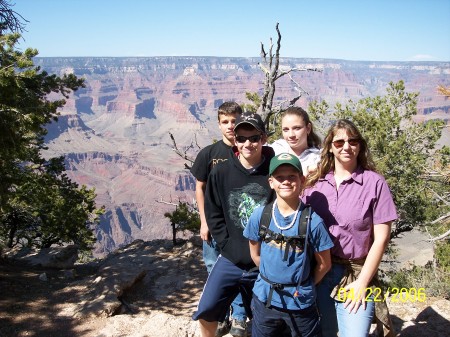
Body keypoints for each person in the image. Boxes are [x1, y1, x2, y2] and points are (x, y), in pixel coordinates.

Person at [302, 119, 398, 337]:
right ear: (329, 147)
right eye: (339, 142)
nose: (347, 146)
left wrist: (363, 282)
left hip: (355, 274)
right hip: (319, 272)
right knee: (323, 332)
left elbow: (381, 239)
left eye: (353, 141)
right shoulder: (314, 184)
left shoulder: (374, 183)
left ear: (360, 145)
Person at [192, 112, 275, 337]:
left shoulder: (274, 172)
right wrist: (228, 245)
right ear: (235, 140)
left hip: (264, 263)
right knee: (207, 310)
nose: (248, 143)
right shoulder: (221, 172)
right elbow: (214, 211)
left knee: (267, 318)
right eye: (241, 138)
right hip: (231, 259)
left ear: (263, 138)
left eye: (254, 138)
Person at [243, 153, 334, 337]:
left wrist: (302, 285)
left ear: (301, 180)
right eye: (280, 177)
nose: (286, 181)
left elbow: (325, 264)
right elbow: (255, 254)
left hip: (300, 302)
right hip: (265, 299)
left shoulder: (312, 222)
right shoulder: (260, 216)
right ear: (271, 182)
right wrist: (273, 276)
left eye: (292, 176)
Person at [189, 101, 247, 336]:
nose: (231, 126)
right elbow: (199, 188)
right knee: (215, 270)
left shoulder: (247, 149)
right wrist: (204, 221)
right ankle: (219, 316)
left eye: (234, 121)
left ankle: (240, 318)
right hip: (214, 225)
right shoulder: (210, 154)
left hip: (240, 226)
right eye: (225, 122)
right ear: (218, 124)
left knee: (242, 271)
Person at [270, 106, 321, 176]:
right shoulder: (274, 150)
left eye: (297, 128)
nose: (291, 135)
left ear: (308, 128)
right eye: (286, 129)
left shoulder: (318, 158)